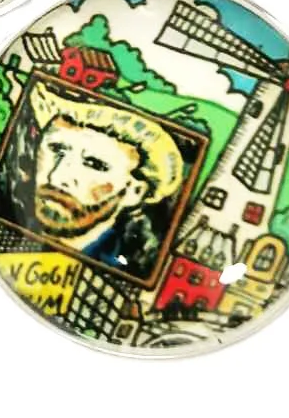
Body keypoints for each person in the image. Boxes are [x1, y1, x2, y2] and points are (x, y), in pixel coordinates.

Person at [18, 82, 185, 277]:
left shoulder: (123, 272)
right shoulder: (8, 220)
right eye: (57, 149)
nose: (57, 176)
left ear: (134, 191)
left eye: (95, 164)